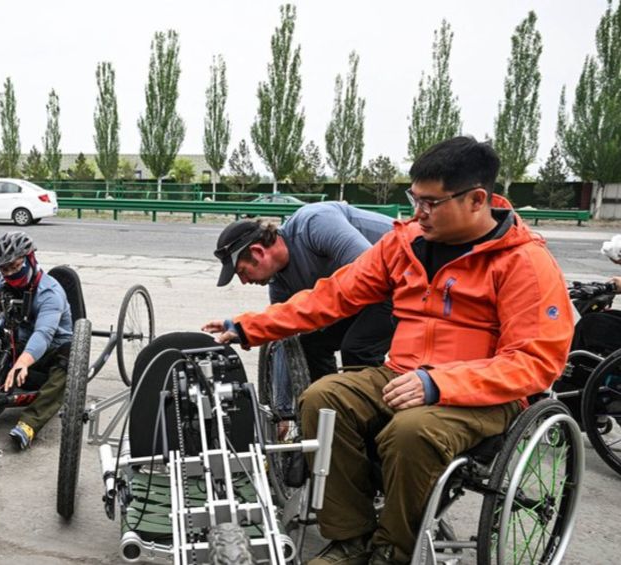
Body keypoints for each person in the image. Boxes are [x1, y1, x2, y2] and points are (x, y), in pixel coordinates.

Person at [203, 136, 573, 564]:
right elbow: (331, 297)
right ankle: (350, 539)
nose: (419, 212)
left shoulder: (525, 263)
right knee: (323, 398)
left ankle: (392, 553)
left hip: (484, 394)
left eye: (431, 203)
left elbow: (537, 362)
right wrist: (248, 327)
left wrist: (438, 383)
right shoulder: (405, 243)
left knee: (410, 432)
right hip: (402, 373)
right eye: (415, 199)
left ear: (476, 200)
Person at [214, 203, 396, 380]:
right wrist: (244, 330)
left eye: (243, 272)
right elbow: (284, 327)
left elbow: (371, 274)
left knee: (358, 348)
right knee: (312, 344)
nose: (244, 281)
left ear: (258, 252)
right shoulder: (279, 283)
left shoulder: (315, 223)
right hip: (360, 294)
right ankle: (325, 405)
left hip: (398, 279)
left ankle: (367, 408)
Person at [0, 231, 73, 450]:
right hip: (21, 345)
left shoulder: (50, 293)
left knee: (69, 360)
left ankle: (29, 424)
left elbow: (43, 334)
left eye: (15, 267)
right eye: (4, 269)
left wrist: (23, 362)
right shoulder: (3, 280)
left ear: (30, 259)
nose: (9, 273)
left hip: (52, 351)